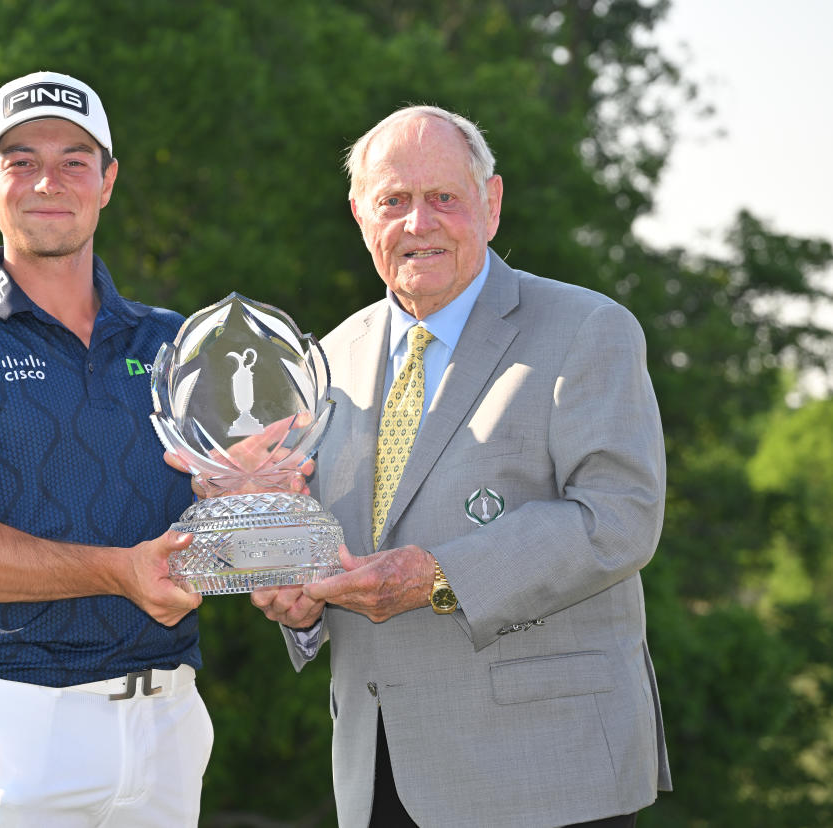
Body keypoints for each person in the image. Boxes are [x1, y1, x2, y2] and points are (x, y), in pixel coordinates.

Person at [250, 105, 670, 827]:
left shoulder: (587, 328)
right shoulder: (325, 362)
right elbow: (324, 540)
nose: (419, 223)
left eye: (443, 196)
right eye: (393, 201)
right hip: (377, 774)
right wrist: (300, 600)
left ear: (491, 203)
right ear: (359, 214)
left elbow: (619, 518)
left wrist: (438, 576)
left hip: (548, 775)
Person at [0, 70, 211, 827]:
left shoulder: (177, 342)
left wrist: (260, 509)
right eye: (22, 161)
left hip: (168, 727)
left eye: (75, 160)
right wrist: (116, 573)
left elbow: (217, 512)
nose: (48, 181)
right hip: (14, 727)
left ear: (109, 182)